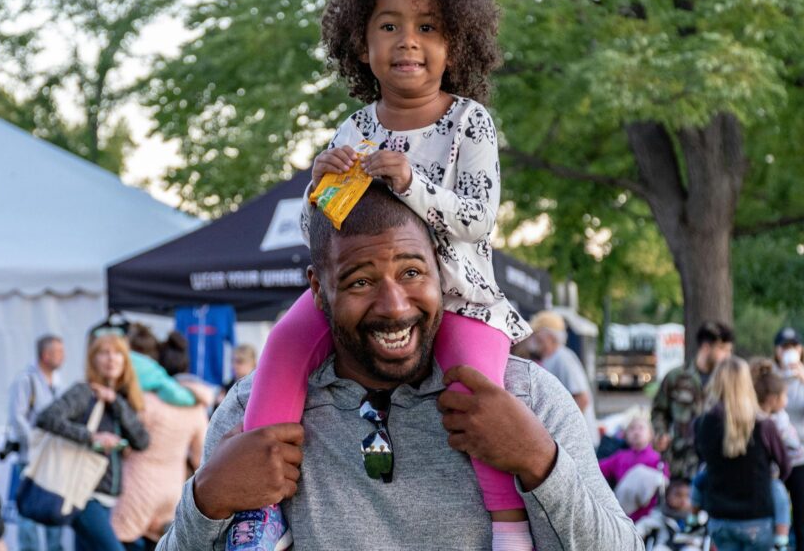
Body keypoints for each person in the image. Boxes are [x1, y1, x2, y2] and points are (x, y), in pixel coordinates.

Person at [157, 182, 642, 549]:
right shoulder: (252, 410)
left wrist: (540, 462)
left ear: (441, 271)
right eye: (360, 282)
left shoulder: (526, 396)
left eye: (411, 272)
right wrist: (206, 502)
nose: (393, 306)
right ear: (318, 290)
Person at [235, 0, 536, 548]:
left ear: (456, 44)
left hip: (459, 297)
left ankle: (508, 521)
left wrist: (412, 182)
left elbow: (478, 217)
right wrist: (318, 187)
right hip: (363, 290)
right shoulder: (356, 128)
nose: (408, 42)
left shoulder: (469, 122)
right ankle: (262, 506)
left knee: (476, 391)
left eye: (427, 28)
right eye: (389, 26)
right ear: (361, 44)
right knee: (282, 347)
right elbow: (321, 236)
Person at [35, 334, 150, 551]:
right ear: (93, 359)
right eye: (104, 353)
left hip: (108, 497)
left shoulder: (124, 399)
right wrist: (91, 437)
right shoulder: (84, 392)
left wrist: (115, 402)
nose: (111, 359)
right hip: (84, 493)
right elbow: (46, 417)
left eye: (118, 354)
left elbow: (142, 441)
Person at [112, 330, 210, 550]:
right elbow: (201, 458)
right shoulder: (196, 406)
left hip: (136, 487)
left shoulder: (145, 401)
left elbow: (127, 446)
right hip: (172, 490)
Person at [696, 357, 790, 551]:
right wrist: (769, 482)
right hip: (757, 515)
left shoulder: (703, 423)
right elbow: (785, 464)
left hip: (720, 516)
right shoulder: (764, 425)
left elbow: (702, 459)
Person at [651, 320, 734, 480]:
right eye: (723, 349)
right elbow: (659, 411)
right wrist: (661, 434)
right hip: (681, 464)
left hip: (718, 464)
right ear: (706, 347)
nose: (727, 356)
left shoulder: (730, 382)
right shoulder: (676, 377)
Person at [6, 334, 65, 551]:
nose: (62, 357)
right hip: (31, 458)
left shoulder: (58, 382)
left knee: (53, 511)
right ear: (45, 354)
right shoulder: (26, 380)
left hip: (54, 459)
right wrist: (34, 443)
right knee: (28, 514)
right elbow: (17, 417)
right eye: (58, 352)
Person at [770, 327, 804, 551]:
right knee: (774, 517)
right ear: (777, 351)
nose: (789, 352)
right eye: (784, 347)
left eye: (794, 347)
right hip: (774, 458)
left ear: (801, 351)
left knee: (801, 520)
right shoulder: (769, 378)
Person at [528, 310, 599, 448]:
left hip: (579, 443)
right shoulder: (550, 358)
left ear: (549, 337)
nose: (533, 339)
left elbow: (582, 399)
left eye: (537, 335)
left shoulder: (562, 358)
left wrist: (558, 432)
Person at [751, 358, 796, 549]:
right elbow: (787, 457)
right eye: (784, 396)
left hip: (758, 476)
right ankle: (782, 539)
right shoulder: (770, 424)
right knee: (779, 493)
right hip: (765, 476)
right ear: (772, 399)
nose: (786, 401)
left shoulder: (770, 419)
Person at [598, 412, 667, 521]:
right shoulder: (620, 456)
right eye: (632, 429)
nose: (636, 432)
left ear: (650, 435)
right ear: (625, 435)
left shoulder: (656, 458)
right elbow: (597, 469)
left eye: (641, 428)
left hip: (648, 516)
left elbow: (663, 484)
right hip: (623, 514)